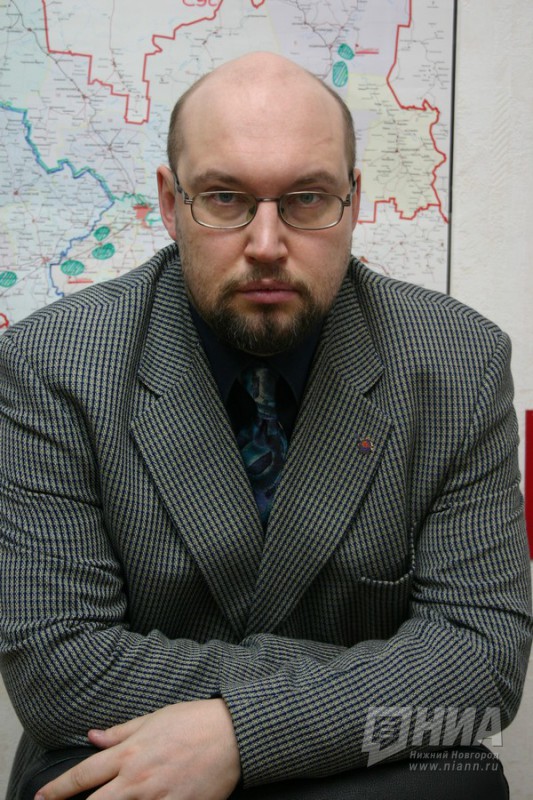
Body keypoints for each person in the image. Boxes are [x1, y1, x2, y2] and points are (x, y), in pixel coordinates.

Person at [0, 52, 531, 800]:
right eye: (225, 198)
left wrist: (243, 732)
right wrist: (371, 679)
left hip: (369, 772)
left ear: (353, 201)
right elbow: (58, 668)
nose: (267, 244)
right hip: (127, 754)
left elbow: (483, 662)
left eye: (307, 199)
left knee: (463, 786)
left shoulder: (459, 364)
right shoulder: (51, 364)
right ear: (170, 202)